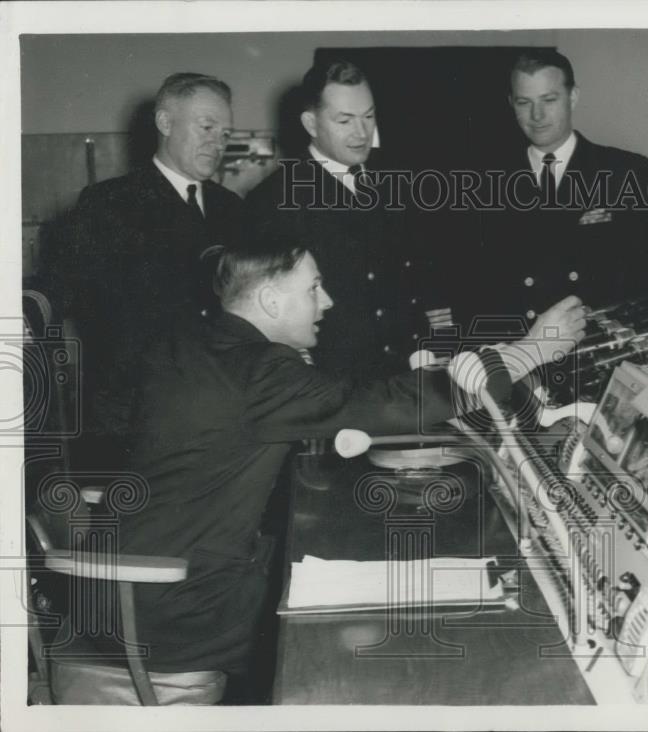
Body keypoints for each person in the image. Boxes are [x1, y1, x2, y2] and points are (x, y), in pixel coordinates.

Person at [99, 233, 585, 693]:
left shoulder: (196, 344)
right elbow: (384, 404)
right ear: (270, 301)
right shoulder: (259, 370)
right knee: (386, 653)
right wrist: (530, 352)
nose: (327, 301)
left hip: (133, 590)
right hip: (178, 613)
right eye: (313, 288)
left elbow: (330, 400)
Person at [50, 72, 244, 447]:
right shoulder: (108, 204)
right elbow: (96, 316)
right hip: (138, 417)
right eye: (206, 126)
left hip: (221, 411)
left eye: (225, 134)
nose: (217, 142)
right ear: (165, 122)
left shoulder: (232, 209)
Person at [245, 60, 429, 379]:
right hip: (334, 385)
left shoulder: (396, 179)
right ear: (311, 124)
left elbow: (414, 282)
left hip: (407, 376)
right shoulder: (273, 200)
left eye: (369, 116)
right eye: (345, 120)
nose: (362, 133)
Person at [477, 49, 648, 335]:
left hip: (599, 347)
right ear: (511, 104)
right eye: (524, 102)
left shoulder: (626, 171)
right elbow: (476, 285)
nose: (537, 115)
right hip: (519, 348)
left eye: (549, 100)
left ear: (573, 97)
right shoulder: (485, 180)